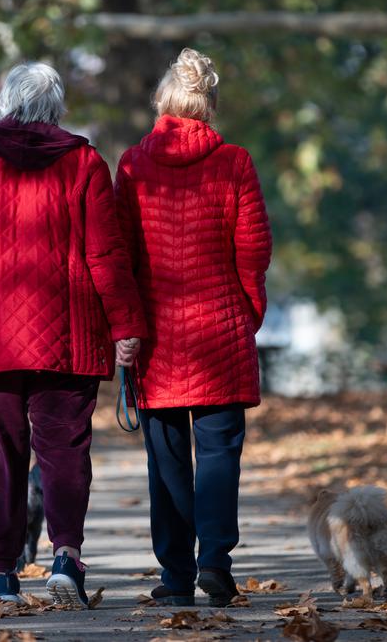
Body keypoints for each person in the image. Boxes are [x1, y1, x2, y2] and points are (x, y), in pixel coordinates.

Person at [0, 61, 146, 606]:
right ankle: (65, 557)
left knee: (0, 454)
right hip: (69, 336)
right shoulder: (84, 164)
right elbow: (106, 255)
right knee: (63, 452)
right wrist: (125, 326)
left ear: (5, 102)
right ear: (56, 107)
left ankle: (0, 572)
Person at [114, 48, 273, 607]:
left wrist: (127, 325)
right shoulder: (235, 163)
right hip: (220, 333)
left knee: (166, 462)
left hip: (157, 338)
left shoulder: (133, 165)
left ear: (164, 102)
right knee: (221, 454)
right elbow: (253, 250)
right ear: (208, 105)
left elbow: (121, 255)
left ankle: (177, 576)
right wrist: (248, 310)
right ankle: (216, 563)